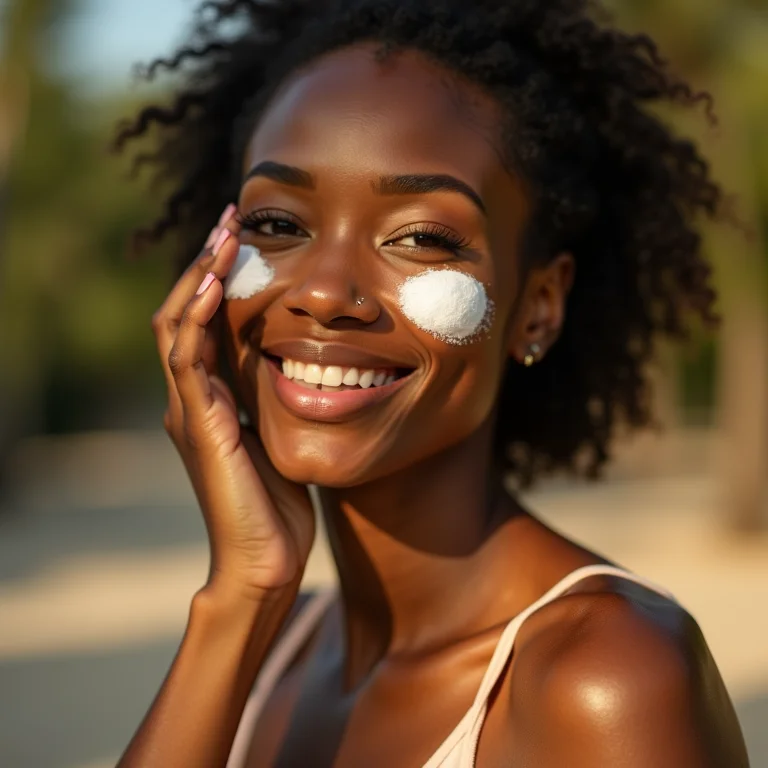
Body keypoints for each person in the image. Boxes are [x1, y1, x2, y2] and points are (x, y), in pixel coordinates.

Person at [114, 1, 750, 765]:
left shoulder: (605, 677)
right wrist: (240, 600)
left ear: (537, 308)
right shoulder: (272, 647)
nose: (322, 292)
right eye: (278, 224)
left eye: (419, 237)